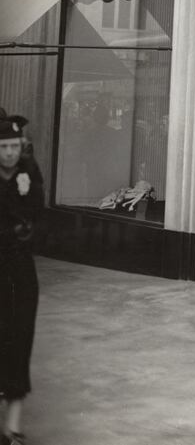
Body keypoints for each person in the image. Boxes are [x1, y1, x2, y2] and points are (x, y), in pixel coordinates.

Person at [0, 114, 45, 444]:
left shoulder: (29, 173)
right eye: (3, 147)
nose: (9, 153)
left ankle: (12, 426)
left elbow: (40, 219)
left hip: (19, 271)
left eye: (14, 146)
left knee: (20, 338)